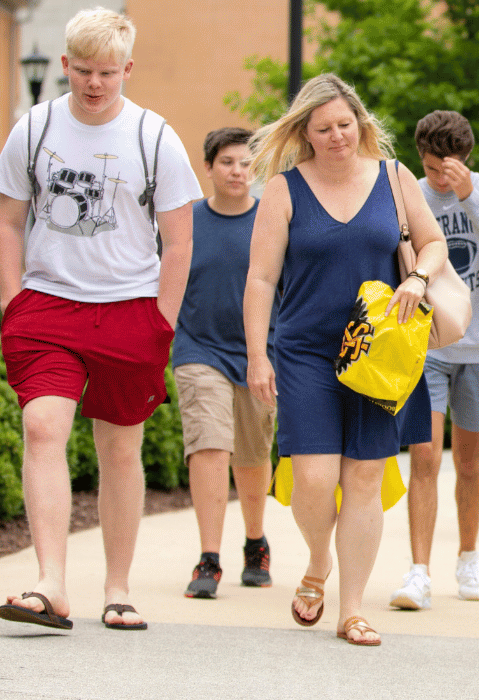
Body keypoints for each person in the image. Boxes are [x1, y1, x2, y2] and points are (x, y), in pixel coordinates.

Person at [0, 8, 202, 632]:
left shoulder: (154, 137)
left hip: (130, 307)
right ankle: (50, 584)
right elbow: (7, 221)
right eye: (83, 70)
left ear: (127, 69)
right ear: (65, 65)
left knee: (119, 447)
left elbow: (179, 241)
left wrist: (162, 322)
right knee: (42, 428)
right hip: (48, 305)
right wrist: (12, 303)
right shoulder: (35, 127)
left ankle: (118, 588)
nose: (94, 83)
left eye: (107, 72)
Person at [242, 73, 448, 647]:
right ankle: (318, 559)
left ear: (360, 122)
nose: (337, 136)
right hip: (305, 350)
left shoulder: (393, 177)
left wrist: (417, 277)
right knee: (312, 477)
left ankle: (352, 609)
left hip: (378, 352)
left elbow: (434, 243)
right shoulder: (284, 189)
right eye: (323, 128)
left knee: (364, 477)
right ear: (304, 134)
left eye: (345, 124)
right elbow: (260, 279)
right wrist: (257, 355)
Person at [389, 111, 479, 610]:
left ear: (465, 158)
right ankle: (418, 571)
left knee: (469, 461)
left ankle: (468, 556)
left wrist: (469, 197)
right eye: (431, 168)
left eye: (449, 169)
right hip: (427, 345)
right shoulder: (409, 194)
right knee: (424, 456)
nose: (439, 179)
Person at [170, 127, 276, 599]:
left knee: (252, 456)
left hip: (260, 354)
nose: (237, 171)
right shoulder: (186, 222)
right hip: (199, 350)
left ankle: (255, 542)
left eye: (246, 163)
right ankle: (209, 557)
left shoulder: (271, 221)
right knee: (209, 446)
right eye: (227, 162)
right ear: (208, 168)